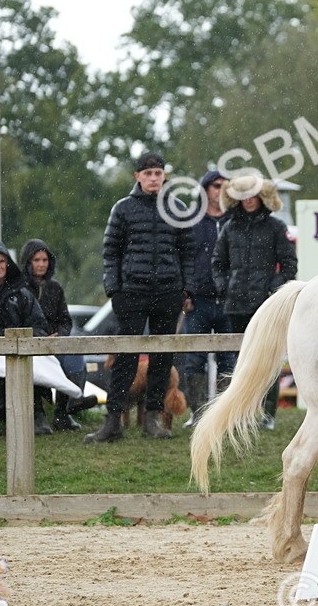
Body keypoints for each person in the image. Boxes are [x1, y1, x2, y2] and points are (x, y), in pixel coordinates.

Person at [85, 152, 194, 444]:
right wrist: (114, 290)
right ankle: (113, 422)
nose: (154, 178)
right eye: (148, 174)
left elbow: (188, 253)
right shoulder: (122, 209)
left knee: (162, 357)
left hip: (168, 291)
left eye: (158, 173)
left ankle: (153, 419)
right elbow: (110, 253)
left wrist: (186, 289)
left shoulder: (178, 208)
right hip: (132, 291)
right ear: (137, 177)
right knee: (124, 356)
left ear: (164, 176)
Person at [212, 173, 297, 429]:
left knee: (268, 359)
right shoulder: (229, 228)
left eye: (253, 195)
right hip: (235, 305)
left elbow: (290, 265)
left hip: (266, 305)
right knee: (241, 362)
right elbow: (218, 264)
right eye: (243, 196)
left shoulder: (276, 227)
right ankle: (241, 413)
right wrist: (226, 288)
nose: (248, 200)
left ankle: (267, 415)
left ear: (262, 196)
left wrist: (273, 290)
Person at [19, 239, 98, 431]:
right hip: (29, 344)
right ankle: (38, 417)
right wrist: (39, 338)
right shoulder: (19, 288)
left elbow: (65, 319)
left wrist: (59, 336)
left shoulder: (55, 288)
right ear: (28, 262)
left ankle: (66, 410)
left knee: (74, 354)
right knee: (36, 363)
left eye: (45, 260)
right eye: (36, 259)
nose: (41, 264)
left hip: (55, 341)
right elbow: (19, 320)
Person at [181, 169, 234, 424]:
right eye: (215, 185)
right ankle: (198, 413)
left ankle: (223, 415)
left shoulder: (235, 221)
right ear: (205, 190)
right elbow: (184, 259)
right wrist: (185, 292)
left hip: (228, 301)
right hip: (198, 300)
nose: (219, 190)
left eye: (224, 186)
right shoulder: (189, 221)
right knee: (194, 359)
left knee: (230, 360)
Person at [0, 240, 49, 436]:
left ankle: (38, 417)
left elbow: (39, 325)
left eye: (2, 261)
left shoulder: (22, 294)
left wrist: (29, 340)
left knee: (33, 366)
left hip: (20, 350)